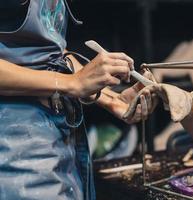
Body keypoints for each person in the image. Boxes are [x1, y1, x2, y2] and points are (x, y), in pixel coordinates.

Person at [0, 0, 157, 199]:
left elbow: (49, 53)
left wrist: (112, 99)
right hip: (14, 151)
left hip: (58, 142)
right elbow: (70, 80)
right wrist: (73, 82)